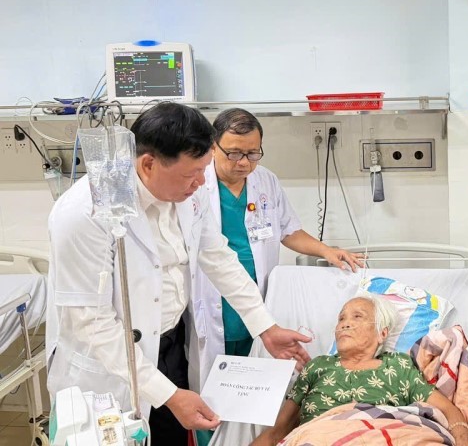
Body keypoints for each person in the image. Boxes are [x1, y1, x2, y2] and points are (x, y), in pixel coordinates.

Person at [46, 103, 311, 446]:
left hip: (168, 347)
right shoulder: (84, 213)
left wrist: (266, 327)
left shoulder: (189, 194)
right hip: (108, 364)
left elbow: (219, 259)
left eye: (203, 170)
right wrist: (168, 395)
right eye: (192, 174)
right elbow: (92, 323)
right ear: (148, 164)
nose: (201, 183)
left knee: (168, 436)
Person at [197, 108, 363, 359]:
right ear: (213, 146)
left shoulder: (266, 180)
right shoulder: (196, 183)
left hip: (258, 291)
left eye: (253, 153)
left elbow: (288, 230)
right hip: (213, 293)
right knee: (214, 370)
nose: (244, 162)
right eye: (234, 153)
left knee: (256, 363)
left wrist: (326, 251)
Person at [252, 295, 468, 446]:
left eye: (357, 317)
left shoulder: (397, 366)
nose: (344, 324)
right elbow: (278, 431)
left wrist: (463, 438)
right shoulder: (318, 366)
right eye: (341, 318)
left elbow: (448, 410)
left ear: (382, 333)